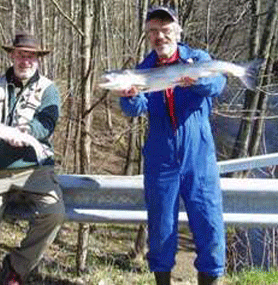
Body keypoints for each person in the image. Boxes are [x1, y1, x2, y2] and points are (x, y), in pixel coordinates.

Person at [116, 6, 226, 285]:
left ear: (177, 31)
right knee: (161, 229)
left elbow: (218, 83)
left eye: (165, 30)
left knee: (209, 225)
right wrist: (129, 96)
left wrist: (197, 82)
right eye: (153, 31)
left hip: (199, 157)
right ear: (147, 36)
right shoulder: (143, 70)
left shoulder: (196, 59)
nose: (159, 36)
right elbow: (135, 108)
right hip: (160, 159)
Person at [0, 33, 65, 285]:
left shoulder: (49, 89)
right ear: (11, 56)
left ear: (38, 59)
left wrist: (30, 133)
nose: (25, 60)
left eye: (30, 56)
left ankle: (16, 267)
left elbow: (47, 123)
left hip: (34, 171)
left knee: (55, 213)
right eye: (20, 54)